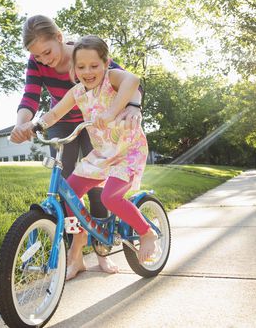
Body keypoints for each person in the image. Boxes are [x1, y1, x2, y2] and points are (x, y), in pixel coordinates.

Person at [10, 15, 143, 275]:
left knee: (97, 186)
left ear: (59, 38)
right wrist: (22, 124)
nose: (45, 60)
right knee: (68, 187)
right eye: (38, 57)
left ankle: (102, 251)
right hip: (61, 119)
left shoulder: (85, 56)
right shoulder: (37, 61)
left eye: (47, 52)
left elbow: (127, 81)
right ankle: (76, 253)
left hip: (95, 121)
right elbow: (30, 95)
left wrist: (132, 106)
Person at [32, 35, 158, 280]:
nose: (87, 72)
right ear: (74, 69)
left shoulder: (111, 79)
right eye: (81, 67)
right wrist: (35, 125)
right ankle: (78, 243)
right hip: (101, 154)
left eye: (94, 66)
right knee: (69, 194)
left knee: (110, 197)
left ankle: (146, 233)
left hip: (127, 151)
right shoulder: (77, 92)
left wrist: (112, 111)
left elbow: (133, 79)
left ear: (105, 63)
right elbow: (56, 113)